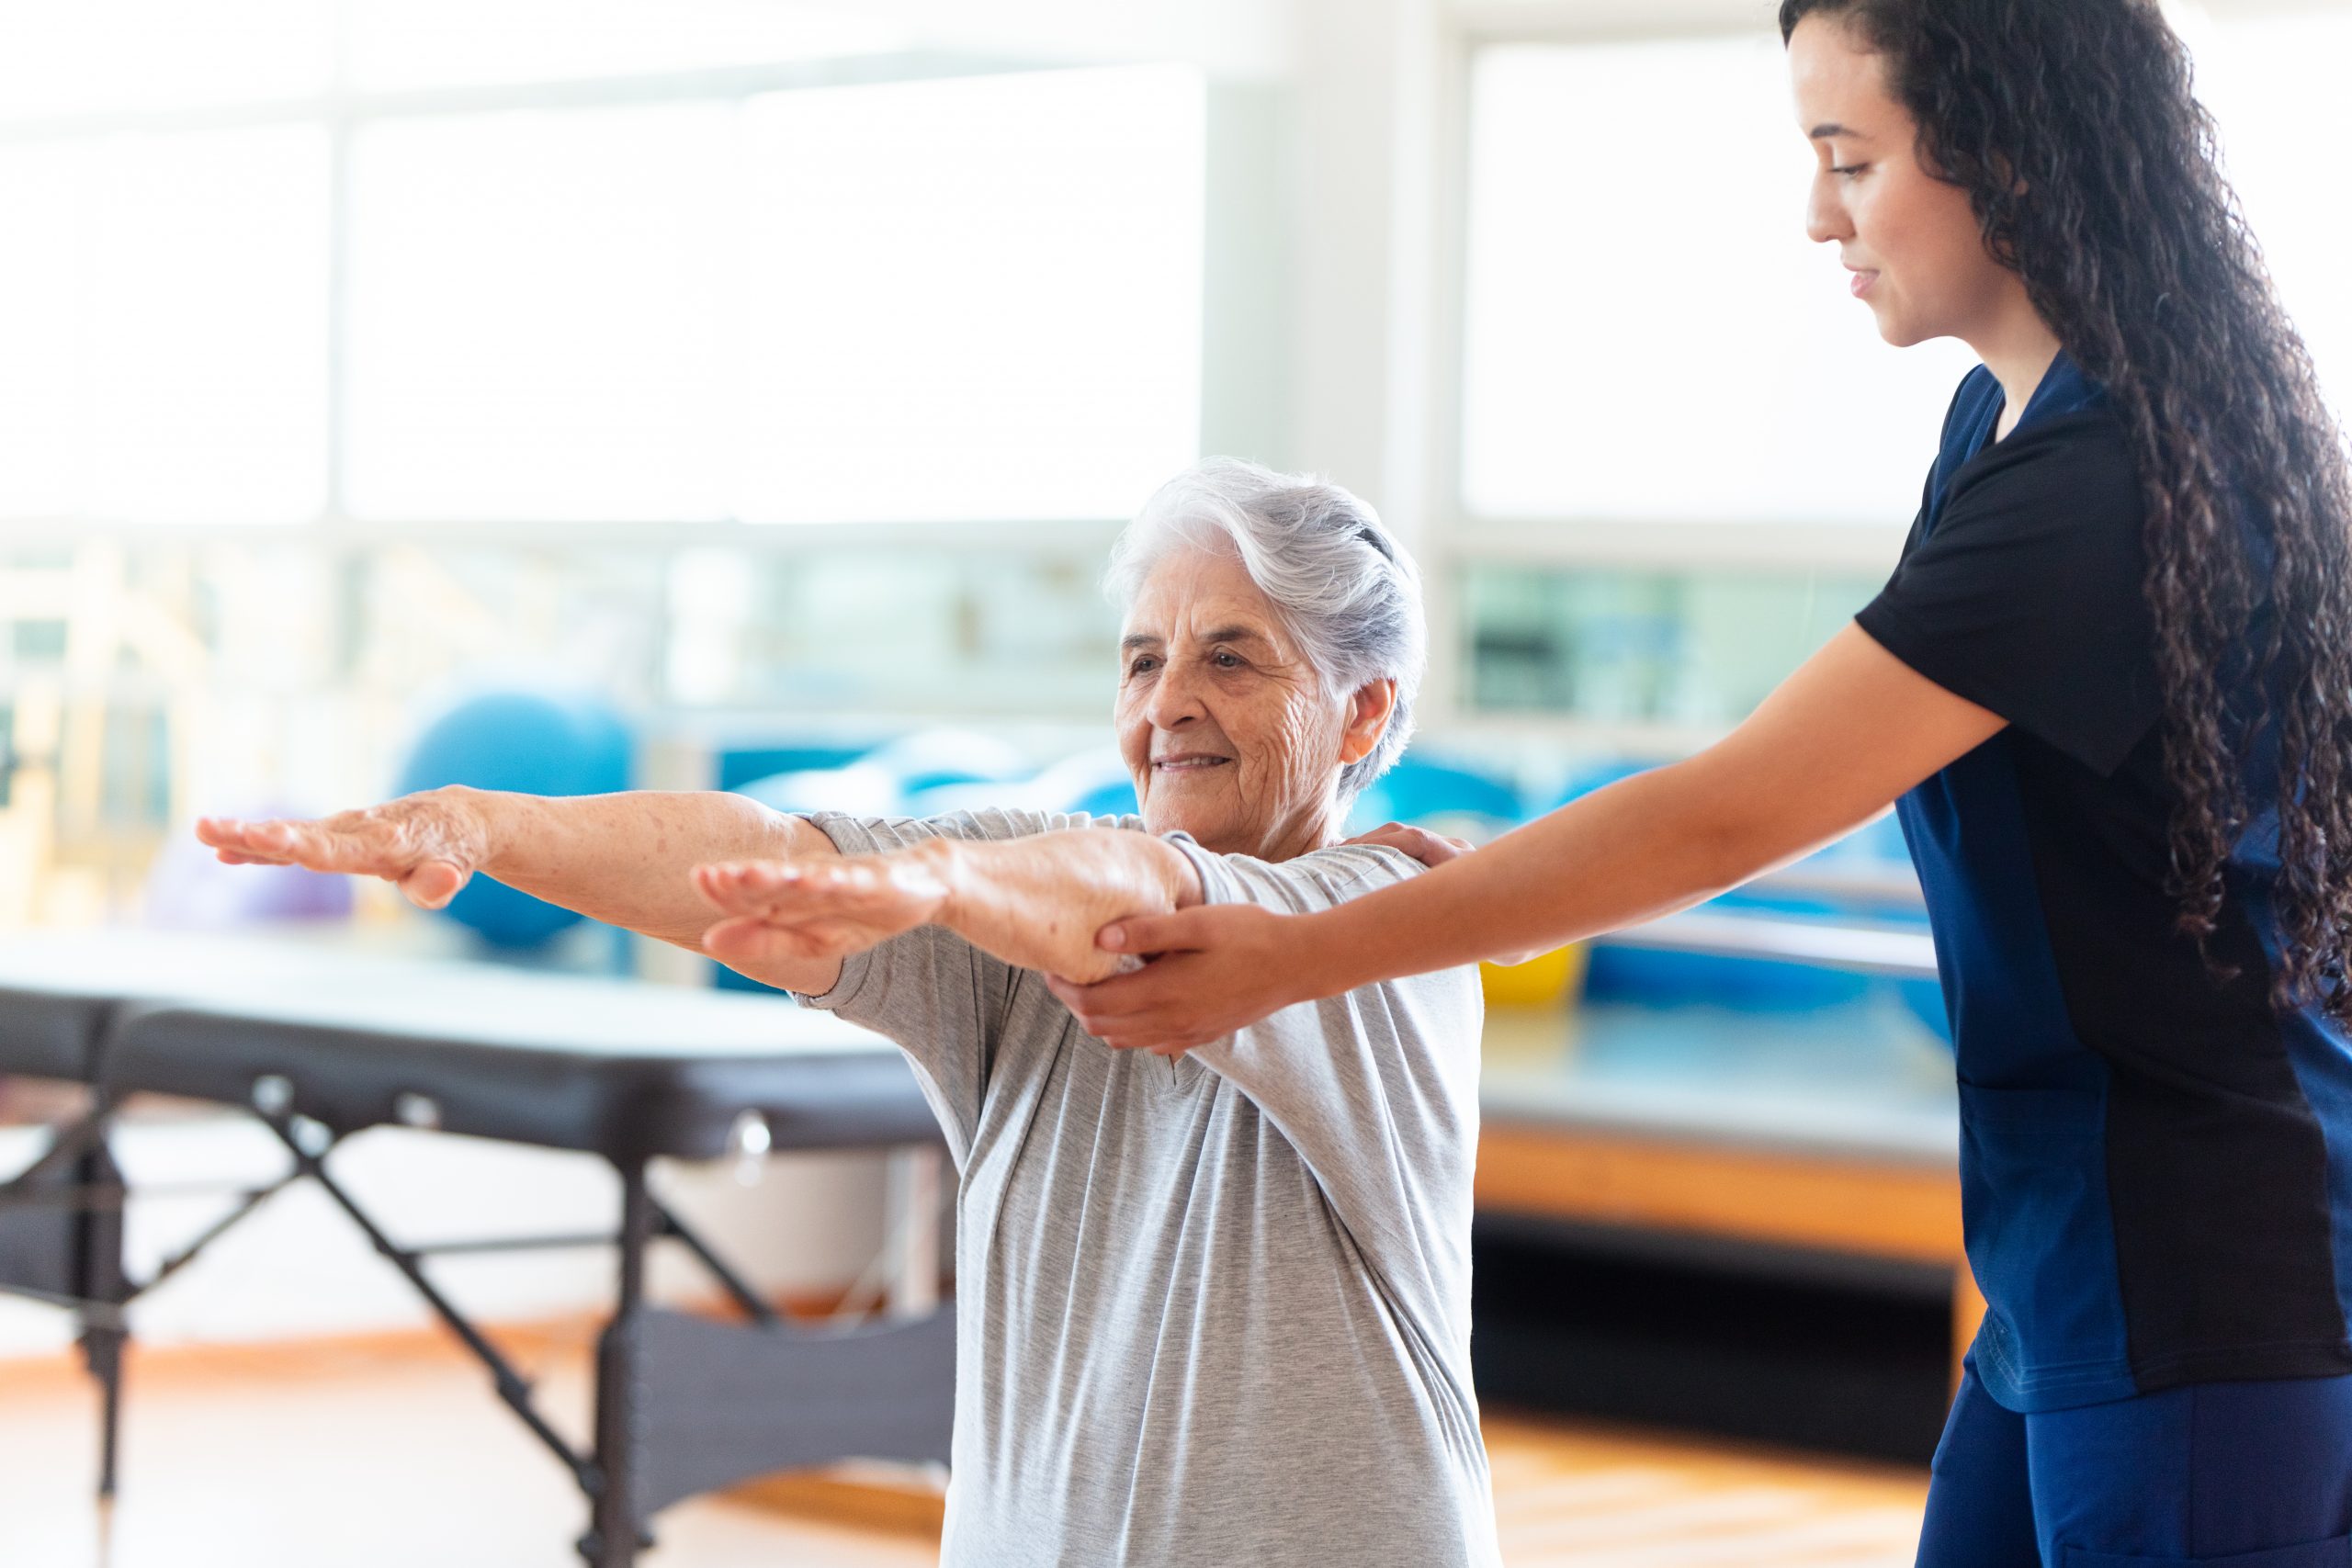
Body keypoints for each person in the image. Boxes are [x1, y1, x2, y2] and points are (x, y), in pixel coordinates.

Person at [1053, 5, 2352, 1563]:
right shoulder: (2002, 431)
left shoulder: (2102, 485)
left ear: (2013, 143)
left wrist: (1292, 954)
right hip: (2068, 1268)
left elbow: (1730, 813)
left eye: (1848, 159)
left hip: (2215, 1282)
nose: (1821, 214)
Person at [197, 457, 1503, 1568]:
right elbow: (760, 841)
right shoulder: (1012, 902)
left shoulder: (1387, 916)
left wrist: (932, 880)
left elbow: (1146, 891)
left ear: (1363, 711)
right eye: (1144, 659)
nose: (1166, 702)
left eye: (1232, 658)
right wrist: (483, 825)